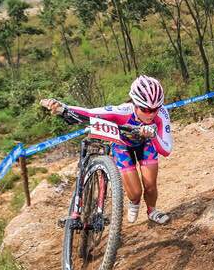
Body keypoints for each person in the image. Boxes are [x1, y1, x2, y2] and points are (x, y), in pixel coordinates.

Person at [40, 75, 173, 225]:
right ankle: (134, 202)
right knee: (135, 193)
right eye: (145, 109)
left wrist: (154, 135)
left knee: (150, 185)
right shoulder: (122, 111)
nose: (151, 114)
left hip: (147, 144)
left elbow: (166, 149)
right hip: (123, 145)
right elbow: (89, 113)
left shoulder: (162, 114)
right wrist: (63, 109)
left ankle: (152, 211)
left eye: (155, 109)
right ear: (134, 103)